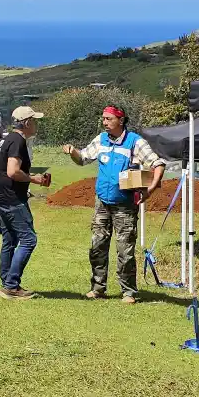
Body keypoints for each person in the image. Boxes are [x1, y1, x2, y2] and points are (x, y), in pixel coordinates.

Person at [60, 105, 165, 303]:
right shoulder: (100, 140)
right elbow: (82, 159)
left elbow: (158, 164)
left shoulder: (135, 142)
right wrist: (73, 151)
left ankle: (128, 292)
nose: (104, 122)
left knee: (124, 249)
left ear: (121, 120)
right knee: (97, 245)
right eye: (103, 118)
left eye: (108, 119)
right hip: (102, 202)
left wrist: (150, 190)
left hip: (125, 204)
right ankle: (98, 288)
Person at [0, 104, 49, 298]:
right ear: (26, 123)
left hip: (1, 196)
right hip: (12, 198)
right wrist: (35, 179)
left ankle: (6, 280)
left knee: (10, 240)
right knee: (28, 239)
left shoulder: (7, 138)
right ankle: (11, 285)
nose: (36, 125)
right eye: (34, 121)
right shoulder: (18, 141)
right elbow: (12, 171)